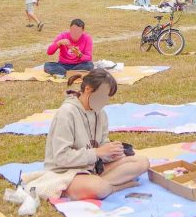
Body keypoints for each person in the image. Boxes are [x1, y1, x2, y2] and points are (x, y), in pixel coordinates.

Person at [14, 69, 150, 204]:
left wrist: (112, 153)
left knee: (142, 162)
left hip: (93, 168)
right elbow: (61, 158)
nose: (105, 101)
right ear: (88, 89)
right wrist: (97, 152)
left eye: (108, 97)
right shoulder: (66, 113)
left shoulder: (100, 113)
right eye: (103, 96)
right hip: (66, 172)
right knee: (99, 187)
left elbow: (102, 145)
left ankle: (101, 186)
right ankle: (113, 187)